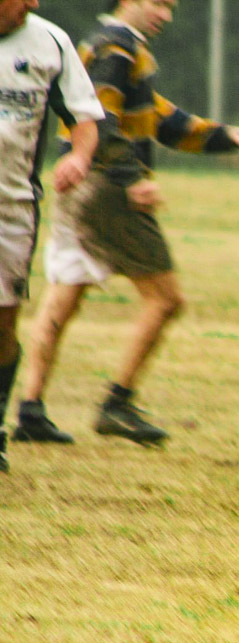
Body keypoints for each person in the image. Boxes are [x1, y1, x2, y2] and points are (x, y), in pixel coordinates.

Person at [11, 0, 239, 447]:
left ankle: (30, 409)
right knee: (166, 300)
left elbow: (157, 116)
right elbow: (101, 120)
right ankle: (117, 403)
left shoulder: (110, 46)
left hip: (74, 186)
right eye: (159, 3)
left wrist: (221, 135)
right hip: (107, 187)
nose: (167, 14)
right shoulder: (117, 48)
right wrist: (133, 177)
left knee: (63, 299)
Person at [0, 0, 104, 471]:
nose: (34, 3)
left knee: (2, 323)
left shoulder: (51, 43)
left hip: (11, 207)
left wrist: (79, 157)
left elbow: (83, 118)